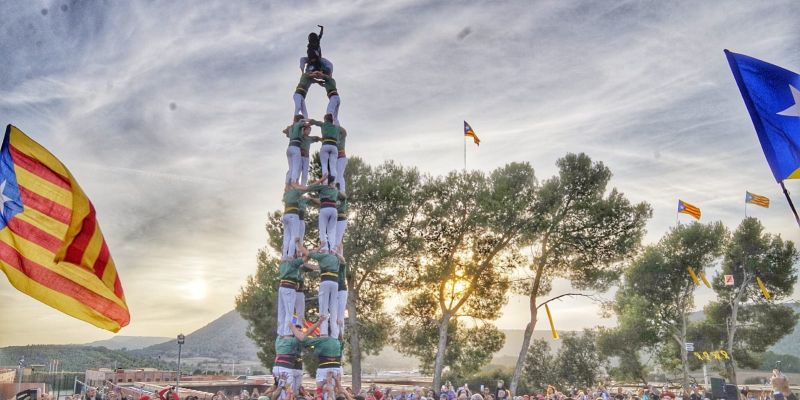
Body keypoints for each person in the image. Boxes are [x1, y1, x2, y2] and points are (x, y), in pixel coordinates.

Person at [296, 238, 340, 337]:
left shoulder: (322, 256)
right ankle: (335, 334)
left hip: (326, 281)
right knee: (333, 308)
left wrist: (298, 244)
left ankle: (323, 333)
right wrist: (305, 264)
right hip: (335, 282)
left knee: (323, 306)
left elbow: (306, 252)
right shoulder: (335, 258)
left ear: (324, 250)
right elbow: (315, 267)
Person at [287, 317, 343, 395]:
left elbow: (302, 337)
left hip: (323, 368)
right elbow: (314, 338)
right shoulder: (336, 341)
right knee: (333, 391)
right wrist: (339, 326)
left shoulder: (321, 340)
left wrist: (291, 326)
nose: (300, 332)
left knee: (321, 391)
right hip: (336, 368)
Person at [299, 175, 339, 252]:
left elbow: (310, 187)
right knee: (331, 230)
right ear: (332, 183)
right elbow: (325, 199)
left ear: (327, 182)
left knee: (323, 230)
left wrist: (320, 180)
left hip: (325, 209)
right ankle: (333, 249)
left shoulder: (322, 187)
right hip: (334, 210)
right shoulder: (335, 191)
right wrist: (312, 198)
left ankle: (324, 248)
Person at [277, 253, 304, 336]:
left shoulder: (285, 263)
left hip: (293, 290)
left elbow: (308, 265)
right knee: (290, 312)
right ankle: (288, 331)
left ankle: (296, 328)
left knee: (293, 313)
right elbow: (305, 258)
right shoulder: (294, 263)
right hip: (291, 289)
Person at [309, 114, 340, 183]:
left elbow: (314, 121)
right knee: (333, 166)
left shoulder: (323, 124)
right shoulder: (336, 127)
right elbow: (338, 140)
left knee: (324, 165)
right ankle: (334, 183)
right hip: (334, 146)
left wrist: (307, 120)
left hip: (325, 144)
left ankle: (325, 182)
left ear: (325, 119)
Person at [282, 185, 305, 259]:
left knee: (286, 237)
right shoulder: (295, 192)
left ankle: (284, 255)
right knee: (294, 236)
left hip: (285, 216)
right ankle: (290, 255)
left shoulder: (285, 195)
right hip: (293, 215)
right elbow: (303, 190)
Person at [285, 115, 307, 184]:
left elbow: (285, 133)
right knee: (296, 168)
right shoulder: (298, 124)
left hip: (289, 148)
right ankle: (293, 183)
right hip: (296, 147)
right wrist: (304, 121)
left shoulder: (291, 128)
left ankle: (287, 185)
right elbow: (305, 124)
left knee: (291, 168)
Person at [335, 127, 348, 193]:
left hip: (342, 158)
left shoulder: (342, 137)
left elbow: (345, 132)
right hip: (337, 159)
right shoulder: (335, 138)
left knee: (340, 174)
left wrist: (337, 126)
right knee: (336, 175)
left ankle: (342, 190)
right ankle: (337, 189)